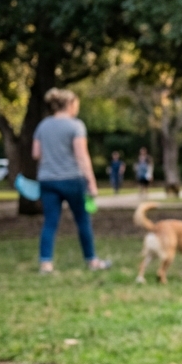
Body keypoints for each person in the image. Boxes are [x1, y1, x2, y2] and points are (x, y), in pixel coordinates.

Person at [32, 88, 110, 273]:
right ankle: (91, 261)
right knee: (82, 220)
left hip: (47, 180)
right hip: (72, 179)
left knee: (50, 221)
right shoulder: (75, 126)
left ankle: (46, 263)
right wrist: (91, 182)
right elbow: (82, 156)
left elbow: (36, 153)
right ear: (69, 104)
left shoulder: (43, 126)